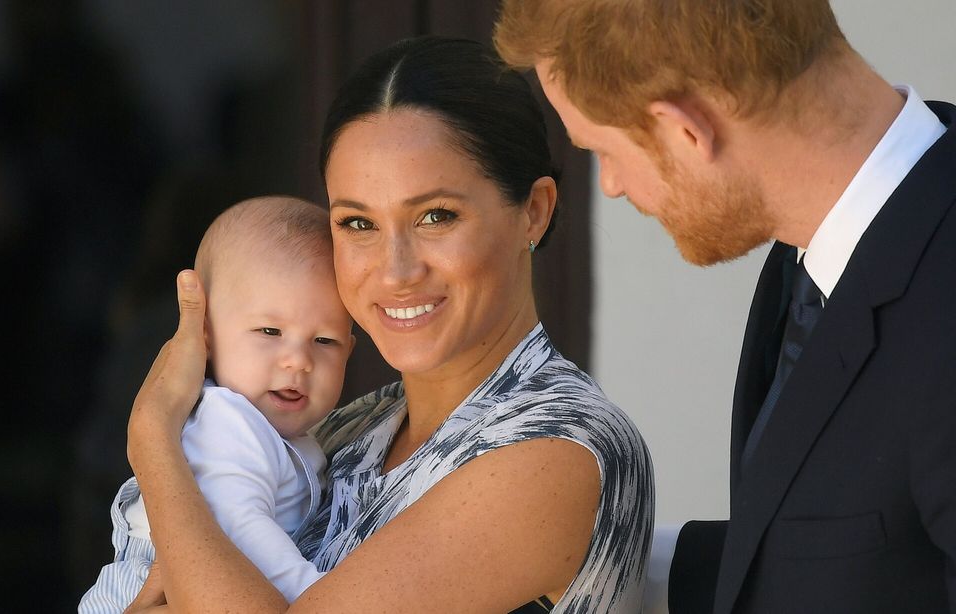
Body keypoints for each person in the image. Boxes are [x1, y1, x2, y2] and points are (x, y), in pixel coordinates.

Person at [123, 37, 654, 613]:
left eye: (435, 216)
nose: (396, 271)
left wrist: (153, 439)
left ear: (535, 210)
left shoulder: (561, 446)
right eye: (357, 224)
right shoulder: (347, 431)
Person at [495, 1, 956, 612]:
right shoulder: (815, 252)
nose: (611, 183)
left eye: (602, 150)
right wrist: (591, 553)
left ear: (687, 131)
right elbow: (852, 555)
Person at [80, 196, 355, 612]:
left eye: (324, 341)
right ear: (205, 335)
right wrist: (317, 597)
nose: (298, 360)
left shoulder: (293, 435)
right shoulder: (228, 423)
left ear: (349, 350)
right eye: (269, 330)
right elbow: (240, 530)